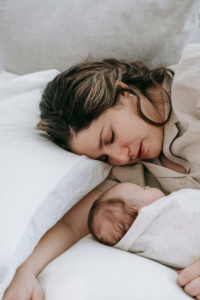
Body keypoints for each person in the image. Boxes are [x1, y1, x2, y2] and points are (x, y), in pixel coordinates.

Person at [3, 43, 200, 300]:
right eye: (104, 156)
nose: (119, 156)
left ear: (124, 93)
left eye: (110, 136)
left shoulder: (191, 83)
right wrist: (23, 272)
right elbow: (71, 225)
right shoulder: (128, 175)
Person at [88, 182, 200, 269]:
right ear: (141, 213)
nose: (147, 186)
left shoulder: (144, 251)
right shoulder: (176, 202)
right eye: (143, 189)